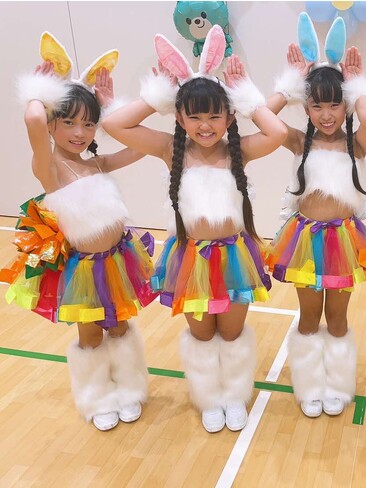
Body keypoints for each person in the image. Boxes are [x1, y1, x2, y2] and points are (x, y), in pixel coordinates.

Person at [102, 26, 287, 433]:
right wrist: (156, 95)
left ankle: (234, 394)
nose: (205, 125)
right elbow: (115, 125)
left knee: (232, 333)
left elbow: (277, 133)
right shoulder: (172, 149)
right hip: (190, 260)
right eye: (195, 116)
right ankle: (209, 397)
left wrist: (246, 94)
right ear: (179, 116)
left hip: (235, 258)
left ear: (229, 117)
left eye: (214, 115)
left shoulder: (238, 151)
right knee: (202, 334)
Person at [3, 32, 155, 431]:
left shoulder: (96, 163)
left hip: (117, 261)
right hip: (83, 269)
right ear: (52, 123)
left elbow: (141, 147)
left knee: (119, 327)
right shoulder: (49, 170)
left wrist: (112, 108)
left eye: (88, 124)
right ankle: (98, 398)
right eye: (68, 122)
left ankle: (129, 388)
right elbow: (33, 119)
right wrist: (40, 91)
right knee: (90, 335)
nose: (79, 132)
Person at [265, 13, 366, 418]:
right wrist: (292, 83)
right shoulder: (300, 141)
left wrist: (357, 82)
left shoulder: (356, 144)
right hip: (305, 240)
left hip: (345, 240)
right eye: (317, 105)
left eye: (335, 104)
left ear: (346, 105)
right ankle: (309, 384)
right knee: (309, 316)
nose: (327, 114)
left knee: (337, 317)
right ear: (307, 107)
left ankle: (337, 383)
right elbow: (264, 117)